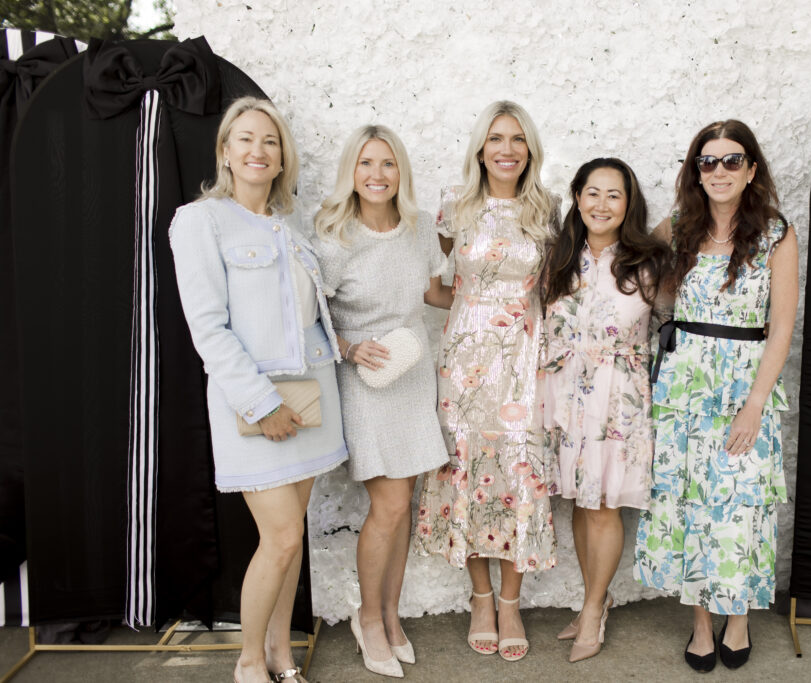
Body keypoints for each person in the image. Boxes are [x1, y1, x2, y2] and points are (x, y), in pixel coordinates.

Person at [169, 97, 345, 683]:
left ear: (281, 157)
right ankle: (248, 662)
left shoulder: (287, 227)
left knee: (291, 542)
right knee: (280, 536)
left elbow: (309, 319)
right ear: (224, 151)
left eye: (269, 142)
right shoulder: (200, 221)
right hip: (259, 407)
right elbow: (208, 329)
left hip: (311, 402)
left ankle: (279, 652)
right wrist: (262, 403)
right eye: (245, 139)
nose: (257, 151)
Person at [633, 120, 798, 672]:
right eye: (708, 161)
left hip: (744, 384)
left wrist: (754, 404)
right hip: (684, 383)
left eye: (732, 160)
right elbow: (636, 266)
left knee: (738, 504)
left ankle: (739, 617)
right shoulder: (680, 225)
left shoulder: (776, 234)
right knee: (687, 503)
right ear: (695, 172)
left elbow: (781, 328)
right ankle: (701, 622)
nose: (719, 170)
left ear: (751, 169)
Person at [415, 100, 560, 662]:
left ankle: (511, 602)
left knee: (518, 469)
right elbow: (430, 286)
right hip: (465, 364)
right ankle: (480, 597)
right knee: (465, 466)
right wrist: (475, 308)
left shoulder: (548, 208)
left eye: (518, 139)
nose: (507, 149)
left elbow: (557, 287)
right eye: (497, 138)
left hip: (524, 363)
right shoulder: (455, 208)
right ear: (481, 147)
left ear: (530, 149)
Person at [313, 124, 451, 678]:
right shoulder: (333, 238)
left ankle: (391, 615)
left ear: (401, 173)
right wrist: (349, 347)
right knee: (389, 507)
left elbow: (429, 293)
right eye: (366, 164)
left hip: (413, 374)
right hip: (364, 377)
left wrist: (494, 296)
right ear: (352, 171)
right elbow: (312, 318)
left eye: (388, 164)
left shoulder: (418, 232)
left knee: (405, 505)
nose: (377, 175)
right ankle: (367, 619)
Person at [540, 158, 668, 662]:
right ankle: (597, 597)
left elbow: (669, 321)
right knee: (578, 500)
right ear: (577, 198)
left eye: (614, 195)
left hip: (619, 400)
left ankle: (593, 609)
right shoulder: (558, 258)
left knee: (605, 506)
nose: (602, 204)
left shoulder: (649, 262)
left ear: (628, 204)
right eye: (592, 193)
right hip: (565, 395)